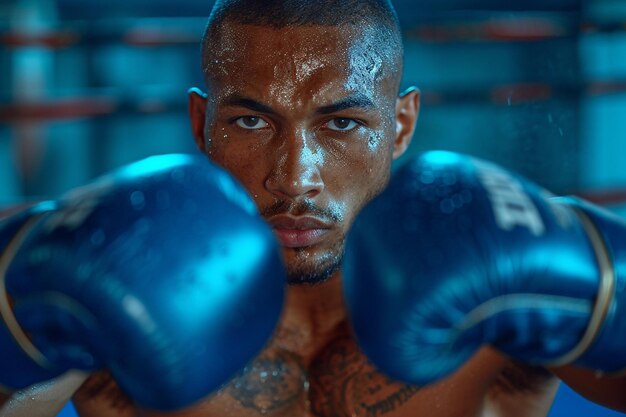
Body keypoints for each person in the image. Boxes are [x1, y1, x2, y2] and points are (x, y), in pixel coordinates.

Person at [2, 1, 626, 416]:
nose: (295, 177)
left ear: (401, 125)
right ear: (202, 124)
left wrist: (599, 288)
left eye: (343, 123)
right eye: (251, 120)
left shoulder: (499, 295)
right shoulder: (114, 292)